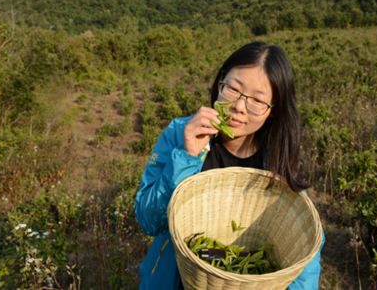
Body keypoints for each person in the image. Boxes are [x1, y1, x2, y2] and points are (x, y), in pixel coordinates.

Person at [134, 42, 325, 289]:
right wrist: (186, 157)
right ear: (220, 82)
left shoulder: (278, 158)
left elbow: (303, 247)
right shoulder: (179, 134)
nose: (239, 107)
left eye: (257, 101)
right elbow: (149, 222)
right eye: (233, 89)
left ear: (273, 111)